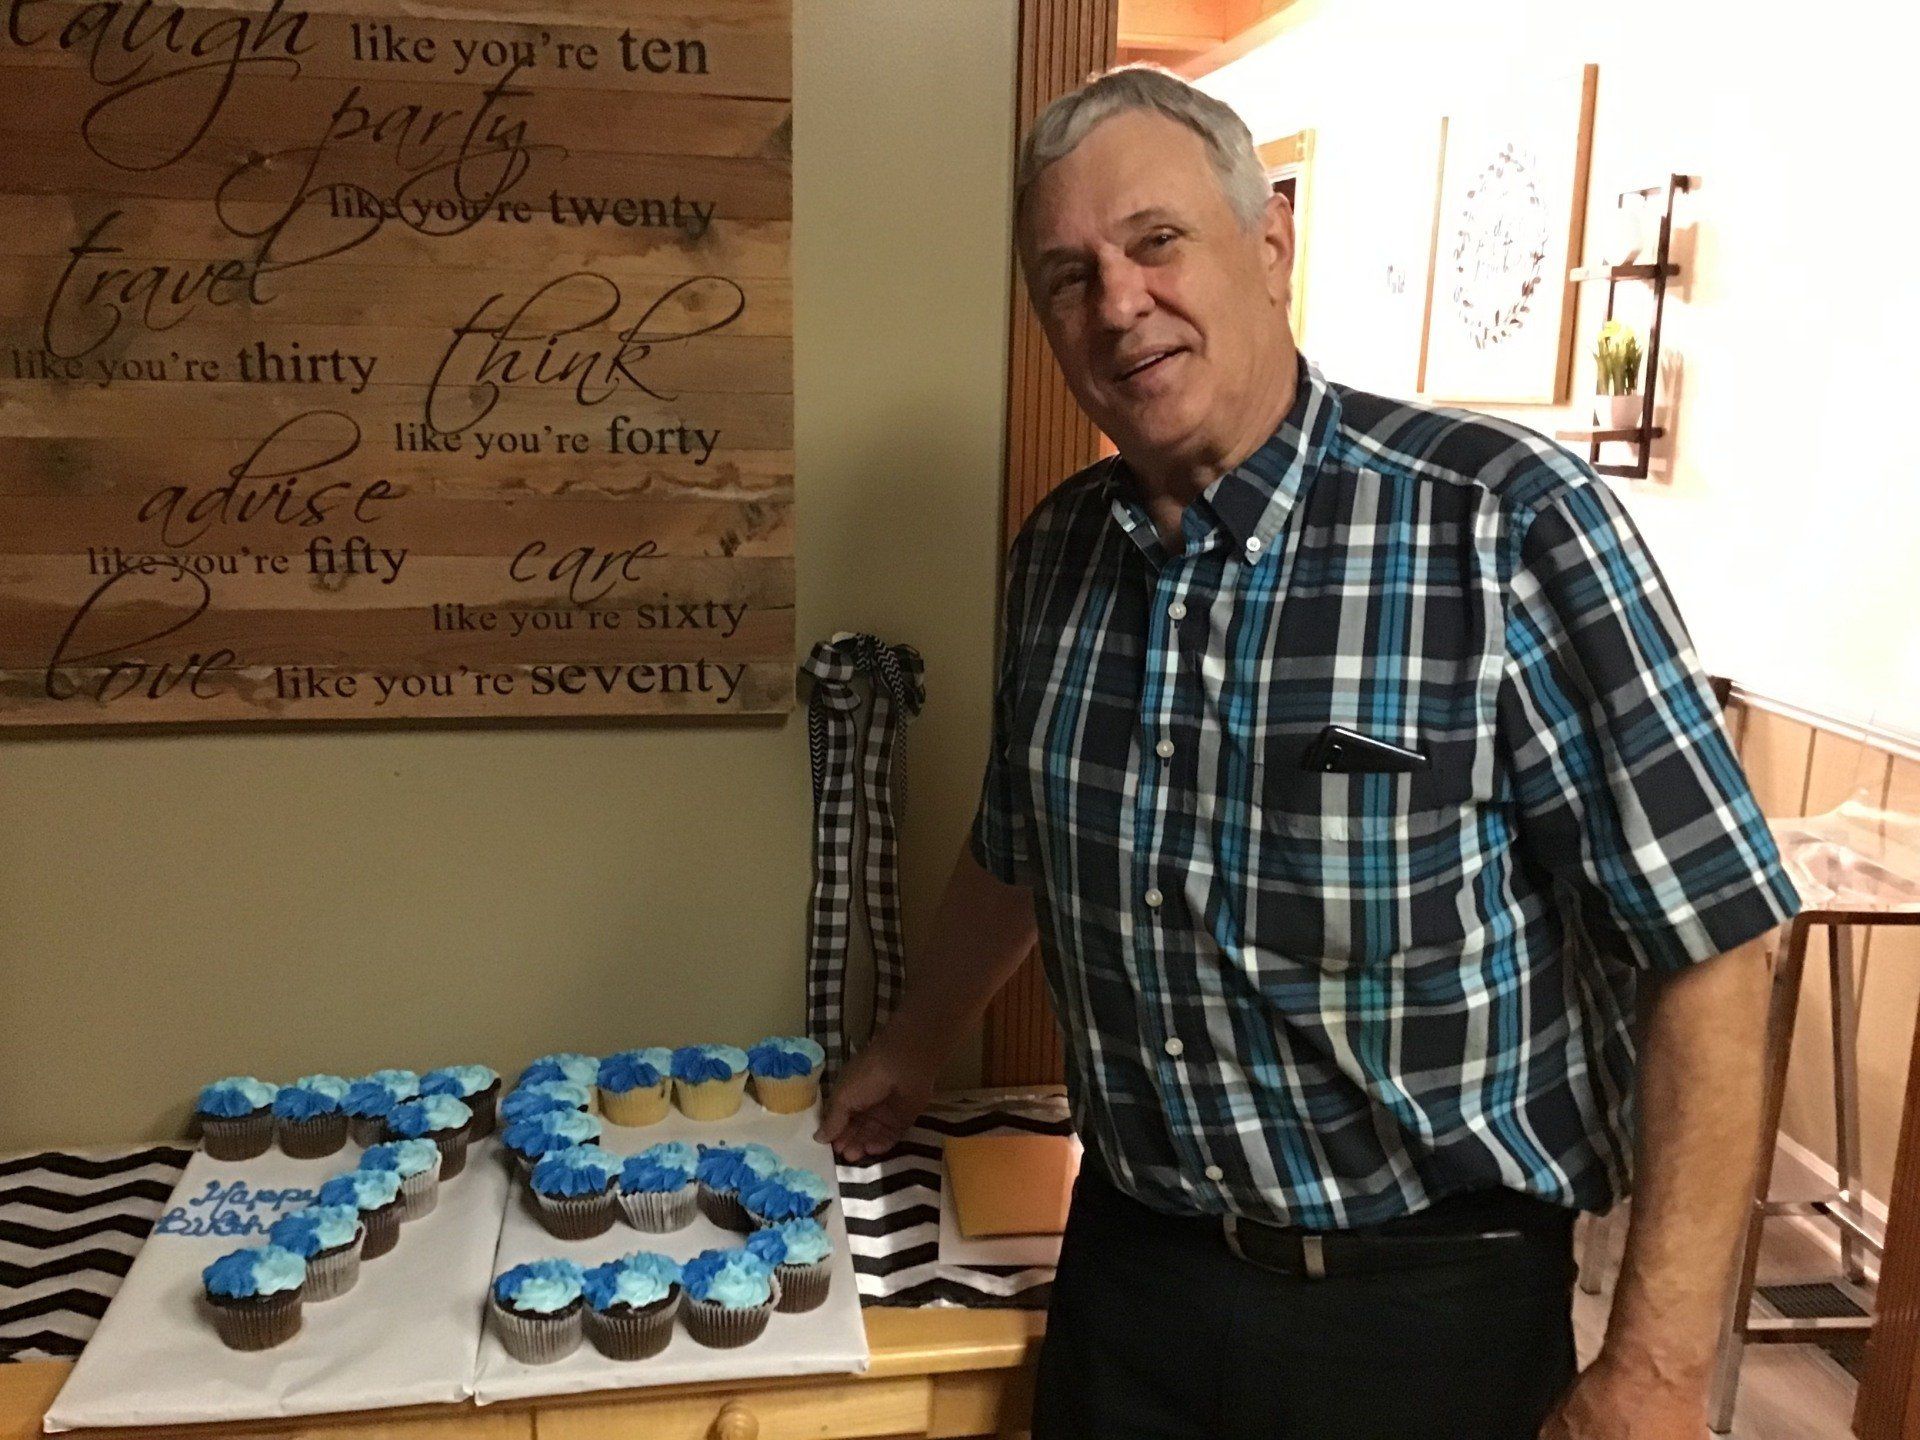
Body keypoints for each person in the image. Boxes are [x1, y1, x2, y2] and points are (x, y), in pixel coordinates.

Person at [818, 65, 1802, 1440]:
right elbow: (1022, 840)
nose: (1116, 305)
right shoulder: (1056, 554)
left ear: (1268, 242)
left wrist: (1653, 1370)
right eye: (1067, 276)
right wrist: (915, 1043)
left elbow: (1715, 944)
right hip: (1130, 1281)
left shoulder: (1507, 525)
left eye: (1156, 242)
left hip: (1426, 1315)